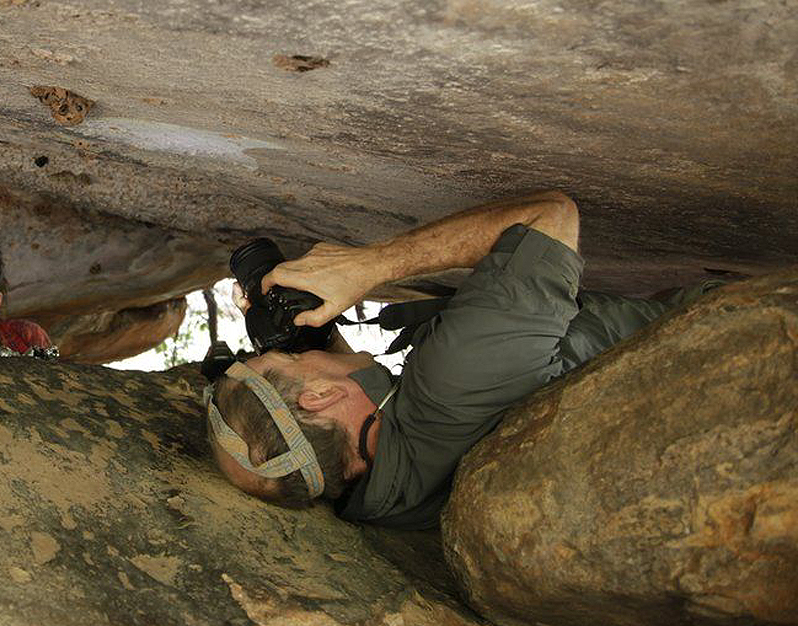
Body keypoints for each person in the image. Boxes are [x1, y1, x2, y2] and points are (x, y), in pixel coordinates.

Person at [205, 190, 717, 529]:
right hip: (710, 326)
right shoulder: (450, 382)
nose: (281, 349)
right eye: (272, 358)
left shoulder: (373, 496)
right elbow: (551, 216)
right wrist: (368, 265)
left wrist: (314, 338)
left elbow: (349, 410)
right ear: (318, 397)